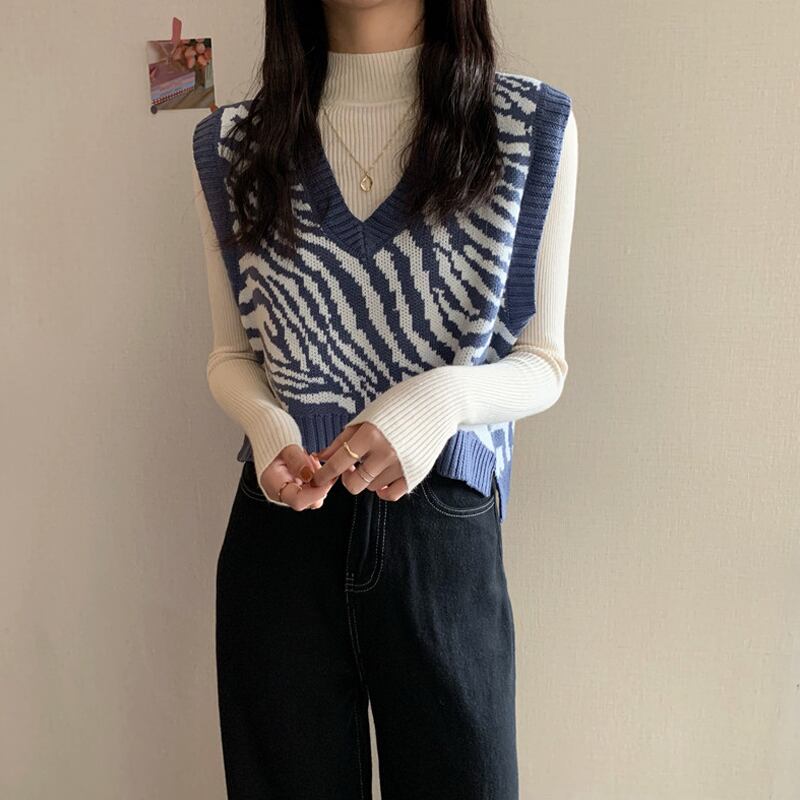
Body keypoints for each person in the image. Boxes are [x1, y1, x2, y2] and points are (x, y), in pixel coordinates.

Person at [191, 1, 578, 797]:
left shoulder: (526, 126)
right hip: (283, 524)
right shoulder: (234, 144)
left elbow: (543, 362)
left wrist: (439, 399)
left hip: (441, 530)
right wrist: (270, 426)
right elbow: (231, 354)